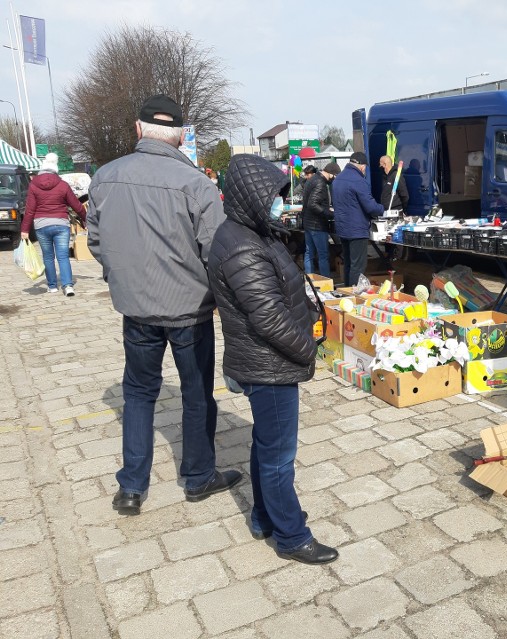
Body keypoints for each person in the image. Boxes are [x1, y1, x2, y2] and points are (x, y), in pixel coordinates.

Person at [87, 94, 242, 516]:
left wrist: (127, 276)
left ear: (138, 130)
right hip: (189, 309)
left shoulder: (104, 177)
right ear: (179, 136)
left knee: (138, 395)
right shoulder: (197, 183)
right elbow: (217, 251)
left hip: (136, 308)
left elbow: (97, 243)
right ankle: (197, 477)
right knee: (196, 393)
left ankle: (132, 488)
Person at [207, 153, 338, 565]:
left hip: (268, 362)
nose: (281, 204)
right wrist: (307, 351)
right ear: (251, 198)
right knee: (279, 455)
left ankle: (265, 515)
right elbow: (267, 317)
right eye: (275, 197)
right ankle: (291, 536)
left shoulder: (252, 231)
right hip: (269, 365)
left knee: (266, 443)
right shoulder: (241, 245)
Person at [20, 153, 87, 296]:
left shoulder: (33, 185)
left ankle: (52, 286)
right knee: (63, 256)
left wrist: (24, 229)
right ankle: (68, 286)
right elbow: (76, 205)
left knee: (48, 257)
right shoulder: (62, 184)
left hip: (41, 225)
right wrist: (85, 218)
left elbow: (30, 209)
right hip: (61, 224)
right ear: (55, 169)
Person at [332, 151, 384, 286]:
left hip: (342, 228)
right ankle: (354, 296)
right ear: (361, 165)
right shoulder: (359, 181)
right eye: (365, 167)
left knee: (348, 263)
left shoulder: (338, 179)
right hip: (357, 229)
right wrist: (382, 209)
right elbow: (370, 207)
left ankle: (347, 292)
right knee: (358, 266)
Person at [301, 162, 340, 277]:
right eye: (335, 176)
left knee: (309, 254)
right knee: (323, 255)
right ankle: (326, 284)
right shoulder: (320, 183)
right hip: (317, 225)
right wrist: (328, 213)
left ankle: (310, 282)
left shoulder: (311, 180)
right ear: (331, 174)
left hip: (308, 223)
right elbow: (313, 204)